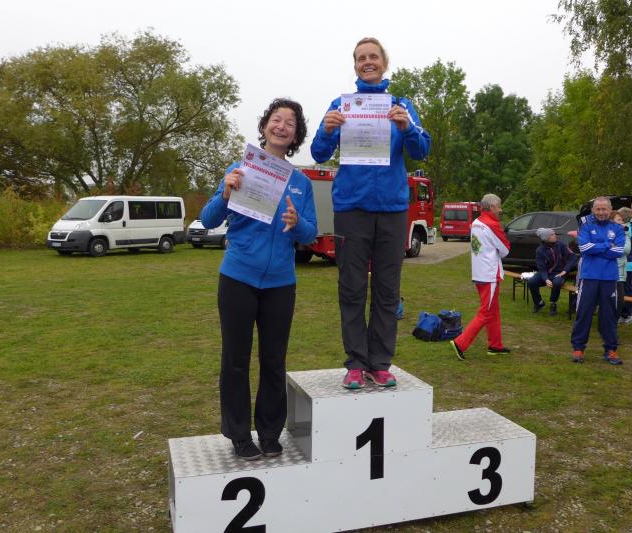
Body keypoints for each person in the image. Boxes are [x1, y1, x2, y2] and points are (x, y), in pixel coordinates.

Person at [310, 37, 431, 389]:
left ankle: (380, 363)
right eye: (361, 57)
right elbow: (318, 153)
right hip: (351, 208)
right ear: (355, 65)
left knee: (387, 289)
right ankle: (355, 363)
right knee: (351, 287)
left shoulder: (402, 105)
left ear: (384, 62)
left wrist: (407, 127)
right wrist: (327, 129)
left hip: (392, 209)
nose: (368, 62)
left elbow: (421, 150)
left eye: (373, 56)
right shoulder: (341, 105)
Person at [201, 98, 318, 460]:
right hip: (238, 277)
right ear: (265, 125)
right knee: (235, 360)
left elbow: (311, 234)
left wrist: (297, 223)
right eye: (276, 120)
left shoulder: (301, 182)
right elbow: (208, 219)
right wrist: (225, 192)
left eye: (290, 123)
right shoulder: (240, 168)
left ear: (295, 136)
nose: (281, 126)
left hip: (280, 284)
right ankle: (239, 435)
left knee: (274, 361)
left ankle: (269, 433)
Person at [449, 194, 511, 361]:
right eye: (498, 206)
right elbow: (506, 249)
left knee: (493, 311)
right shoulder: (492, 224)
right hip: (489, 274)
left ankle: (495, 345)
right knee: (486, 312)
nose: (500, 210)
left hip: (479, 272)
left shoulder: (476, 222)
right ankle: (460, 343)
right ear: (491, 207)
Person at [570, 197, 626, 365]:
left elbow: (619, 251)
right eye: (598, 209)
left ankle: (611, 350)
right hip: (589, 277)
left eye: (604, 209)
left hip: (609, 278)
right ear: (593, 210)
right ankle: (578, 348)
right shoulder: (586, 226)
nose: (601, 212)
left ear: (610, 210)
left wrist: (597, 247)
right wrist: (607, 245)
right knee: (584, 313)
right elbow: (584, 248)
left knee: (609, 315)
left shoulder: (617, 228)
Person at [527, 227, 577, 315]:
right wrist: (546, 279)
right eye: (552, 235)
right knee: (531, 281)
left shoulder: (561, 245)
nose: (555, 236)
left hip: (559, 273)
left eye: (554, 234)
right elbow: (541, 268)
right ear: (546, 238)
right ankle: (539, 303)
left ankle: (553, 303)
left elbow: (573, 257)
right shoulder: (540, 250)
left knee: (557, 282)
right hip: (546, 273)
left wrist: (565, 270)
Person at [610, 210, 632, 324]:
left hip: (620, 273)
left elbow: (627, 249)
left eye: (622, 220)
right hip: (607, 271)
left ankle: (612, 321)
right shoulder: (606, 233)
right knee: (608, 299)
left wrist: (613, 246)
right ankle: (608, 321)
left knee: (620, 300)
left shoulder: (624, 234)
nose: (622, 222)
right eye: (619, 220)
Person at [617, 206, 632, 324]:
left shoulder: (627, 228)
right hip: (630, 262)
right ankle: (625, 313)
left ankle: (627, 314)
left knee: (626, 289)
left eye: (619, 217)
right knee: (627, 288)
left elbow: (625, 247)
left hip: (628, 262)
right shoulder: (630, 227)